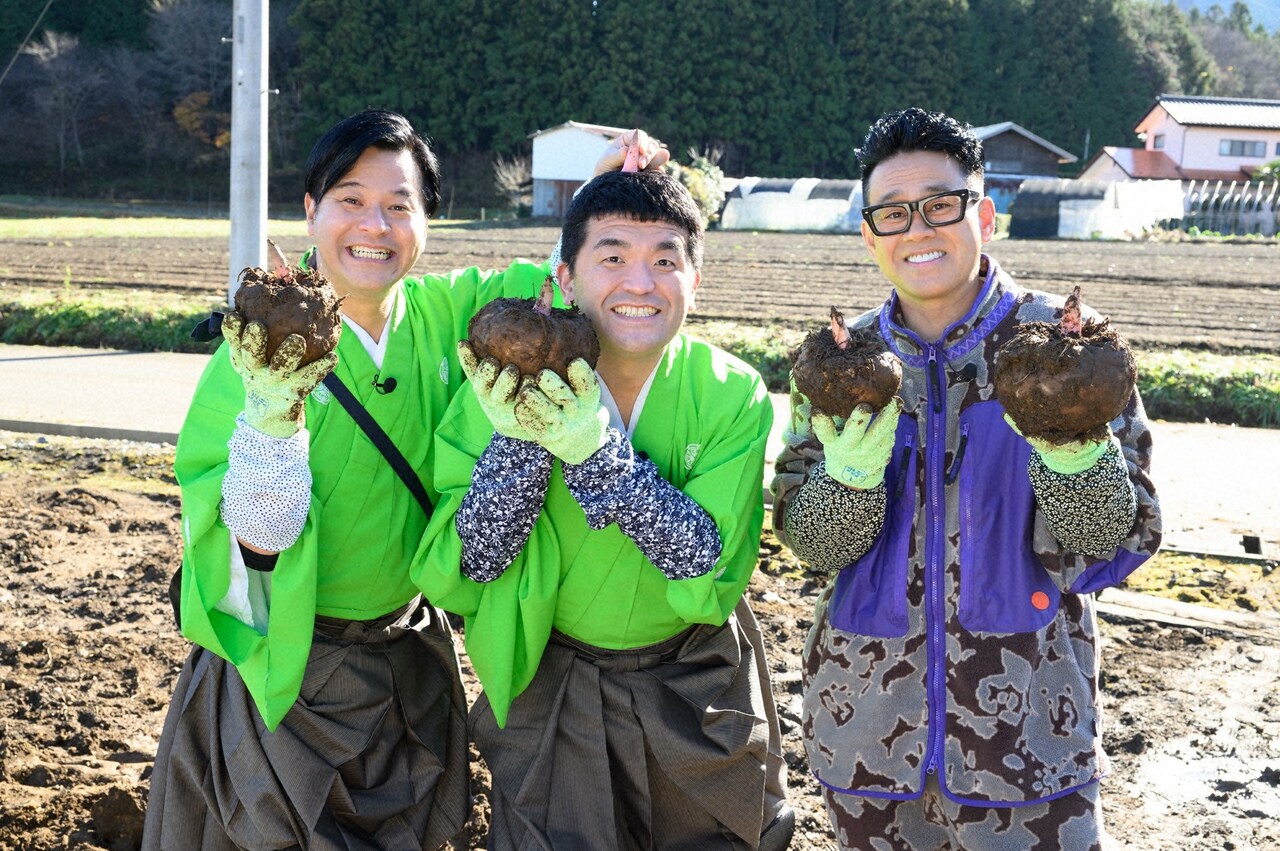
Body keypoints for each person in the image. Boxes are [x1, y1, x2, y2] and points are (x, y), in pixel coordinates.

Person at [142, 109, 666, 850]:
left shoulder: (447, 314)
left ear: (427, 222)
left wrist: (604, 195)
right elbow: (247, 547)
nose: (374, 225)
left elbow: (564, 278)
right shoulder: (253, 361)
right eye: (351, 200)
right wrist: (271, 417)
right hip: (285, 677)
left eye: (399, 205)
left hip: (408, 663)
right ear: (310, 213)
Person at [770, 107, 1162, 850]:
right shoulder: (836, 363)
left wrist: (1075, 457)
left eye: (940, 205)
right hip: (870, 741)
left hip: (1031, 747)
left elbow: (1118, 536)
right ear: (868, 234)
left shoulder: (1067, 348)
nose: (918, 229)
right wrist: (848, 480)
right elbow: (812, 545)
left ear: (985, 212)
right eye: (892, 213)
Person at [413, 169, 794, 850]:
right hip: (555, 683)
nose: (640, 283)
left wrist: (594, 451)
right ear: (565, 276)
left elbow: (702, 563)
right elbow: (474, 559)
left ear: (695, 280)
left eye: (665, 261)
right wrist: (522, 438)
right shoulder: (501, 383)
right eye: (612, 257)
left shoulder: (732, 392)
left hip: (695, 682)